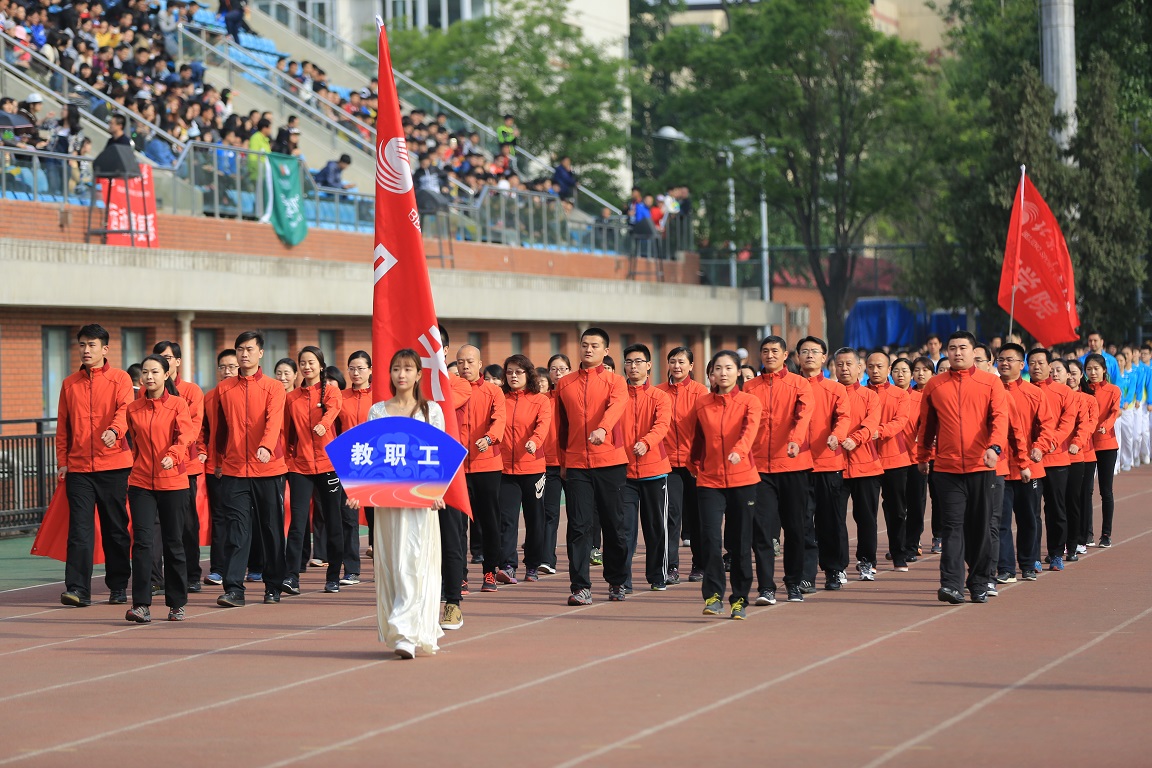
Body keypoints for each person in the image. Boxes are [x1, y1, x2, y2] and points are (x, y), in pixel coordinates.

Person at [360, 349, 446, 658]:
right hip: (387, 501)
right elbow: (369, 456)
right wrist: (356, 490)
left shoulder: (430, 411)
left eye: (408, 369)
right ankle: (399, 628)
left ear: (419, 374)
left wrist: (437, 491)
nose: (401, 374)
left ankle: (408, 632)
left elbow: (438, 454)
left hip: (421, 501)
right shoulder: (378, 411)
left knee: (414, 560)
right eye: (396, 368)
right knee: (392, 563)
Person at [916, 331, 1010, 604]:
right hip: (947, 468)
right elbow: (926, 426)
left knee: (980, 528)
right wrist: (923, 456)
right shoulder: (935, 385)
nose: (957, 353)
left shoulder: (991, 383)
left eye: (963, 348)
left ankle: (979, 581)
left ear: (973, 352)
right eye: (953, 348)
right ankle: (951, 584)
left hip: (981, 467)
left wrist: (994, 448)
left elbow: (1000, 419)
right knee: (952, 527)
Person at [57, 324, 134, 608]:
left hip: (114, 466)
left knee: (116, 528)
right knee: (79, 530)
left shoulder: (120, 379)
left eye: (91, 345)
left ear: (105, 348)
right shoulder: (69, 384)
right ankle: (77, 589)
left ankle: (117, 585)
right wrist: (62, 461)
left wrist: (114, 431)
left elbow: (125, 411)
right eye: (81, 345)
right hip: (78, 470)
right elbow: (63, 426)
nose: (86, 350)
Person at [211, 330, 288, 607]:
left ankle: (274, 585)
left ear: (260, 353)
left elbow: (274, 421)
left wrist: (267, 446)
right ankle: (234, 589)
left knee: (271, 528)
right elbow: (219, 430)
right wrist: (217, 461)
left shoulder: (273, 387)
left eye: (249, 349)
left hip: (268, 469)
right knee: (237, 530)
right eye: (240, 349)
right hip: (234, 470)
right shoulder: (224, 389)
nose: (244, 354)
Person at [553, 327, 629, 605]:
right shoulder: (565, 384)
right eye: (584, 345)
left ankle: (617, 581)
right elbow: (561, 427)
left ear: (606, 351)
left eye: (595, 346)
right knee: (579, 526)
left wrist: (603, 429)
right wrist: (562, 461)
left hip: (610, 462)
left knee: (614, 525)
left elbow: (616, 408)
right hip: (576, 465)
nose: (588, 350)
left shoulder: (615, 382)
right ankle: (580, 586)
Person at [123, 355, 196, 623]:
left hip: (173, 482)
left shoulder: (178, 405)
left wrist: (173, 455)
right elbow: (132, 442)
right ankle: (141, 604)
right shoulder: (133, 408)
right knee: (142, 542)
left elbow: (187, 435)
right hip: (141, 482)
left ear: (166, 375)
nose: (150, 376)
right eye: (146, 372)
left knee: (173, 542)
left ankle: (177, 603)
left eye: (155, 371)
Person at [691, 350, 762, 619]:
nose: (723, 373)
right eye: (718, 368)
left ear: (738, 372)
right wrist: (693, 465)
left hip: (742, 479)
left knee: (740, 542)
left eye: (729, 368)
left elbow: (749, 431)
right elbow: (696, 439)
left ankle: (740, 599)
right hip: (709, 481)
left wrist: (739, 451)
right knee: (710, 539)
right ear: (712, 373)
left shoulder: (749, 402)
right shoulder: (702, 404)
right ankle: (713, 595)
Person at [743, 335, 814, 604]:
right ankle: (766, 587)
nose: (769, 355)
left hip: (793, 465)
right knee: (761, 529)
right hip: (759, 469)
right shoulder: (749, 387)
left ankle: (793, 582)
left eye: (775, 351)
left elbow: (803, 416)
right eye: (765, 351)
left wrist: (795, 442)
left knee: (795, 528)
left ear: (786, 355)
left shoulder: (799, 384)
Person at [283, 346, 344, 595]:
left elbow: (333, 409)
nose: (307, 367)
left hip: (329, 465)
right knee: (297, 523)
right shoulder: (292, 398)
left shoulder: (331, 391)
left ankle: (333, 577)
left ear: (321, 366)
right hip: (300, 466)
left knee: (333, 521)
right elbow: (287, 433)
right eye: (303, 363)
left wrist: (323, 424)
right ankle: (291, 576)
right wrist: (288, 460)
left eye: (311, 362)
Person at [996, 342, 1055, 583]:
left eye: (1010, 359)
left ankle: (1029, 563)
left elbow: (1047, 427)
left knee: (1029, 518)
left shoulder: (1034, 393)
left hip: (1029, 468)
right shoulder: (991, 391)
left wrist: (1039, 448)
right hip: (998, 467)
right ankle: (1006, 568)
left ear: (1022, 365)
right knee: (1000, 521)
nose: (1004, 363)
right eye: (1000, 359)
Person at [150, 341, 205, 595]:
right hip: (153, 471)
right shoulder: (147, 392)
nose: (165, 361)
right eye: (160, 357)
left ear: (178, 362)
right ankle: (155, 577)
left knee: (185, 525)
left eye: (169, 357)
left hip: (185, 468)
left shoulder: (191, 391)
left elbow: (191, 430)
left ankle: (191, 574)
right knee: (155, 525)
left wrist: (175, 453)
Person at [797, 337, 851, 591]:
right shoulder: (792, 386)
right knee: (803, 522)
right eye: (804, 351)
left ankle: (833, 568)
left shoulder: (835, 389)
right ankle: (806, 574)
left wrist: (836, 436)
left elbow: (844, 418)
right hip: (797, 465)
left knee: (830, 521)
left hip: (829, 463)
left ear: (823, 357)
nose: (809, 355)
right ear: (797, 357)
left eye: (814, 352)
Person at [619, 344, 673, 592]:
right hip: (624, 472)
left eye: (639, 361)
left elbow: (662, 425)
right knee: (625, 529)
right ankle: (622, 580)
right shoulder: (617, 395)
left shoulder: (660, 396)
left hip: (654, 470)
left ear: (649, 365)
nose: (633, 366)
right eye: (629, 362)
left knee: (655, 527)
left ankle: (657, 576)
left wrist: (646, 442)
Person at [454, 345, 507, 591]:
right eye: (461, 362)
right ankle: (459, 574)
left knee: (489, 521)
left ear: (480, 363)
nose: (465, 366)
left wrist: (489, 438)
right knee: (457, 524)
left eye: (470, 361)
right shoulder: (450, 392)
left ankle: (490, 571)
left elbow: (499, 420)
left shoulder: (493, 391)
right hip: (456, 467)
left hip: (487, 464)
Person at [656, 346, 710, 584]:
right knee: (670, 515)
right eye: (672, 361)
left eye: (681, 362)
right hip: (667, 464)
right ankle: (671, 566)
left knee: (698, 515)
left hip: (695, 464)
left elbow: (706, 428)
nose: (676, 366)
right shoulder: (658, 392)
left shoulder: (700, 392)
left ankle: (700, 564)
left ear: (691, 366)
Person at [831, 348, 883, 581]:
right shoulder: (829, 393)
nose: (844, 369)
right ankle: (838, 565)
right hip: (835, 465)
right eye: (840, 364)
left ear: (859, 368)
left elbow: (872, 422)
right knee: (835, 518)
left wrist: (856, 439)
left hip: (865, 465)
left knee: (866, 518)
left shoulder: (870, 395)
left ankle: (866, 561)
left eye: (849, 364)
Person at [498, 355, 551, 582]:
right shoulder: (500, 399)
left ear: (528, 374)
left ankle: (532, 564)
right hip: (505, 470)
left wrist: (534, 441)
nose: (513, 376)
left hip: (533, 468)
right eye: (509, 372)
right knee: (506, 519)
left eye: (518, 372)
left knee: (534, 519)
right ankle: (508, 565)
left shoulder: (540, 400)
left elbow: (543, 425)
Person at [1027, 347, 1077, 571]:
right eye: (1032, 363)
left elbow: (1067, 423)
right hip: (1031, 461)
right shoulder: (1024, 390)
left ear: (1050, 366)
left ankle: (1056, 553)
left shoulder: (1063, 392)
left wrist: (1048, 444)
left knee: (1056, 509)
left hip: (1056, 459)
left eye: (1041, 363)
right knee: (1031, 511)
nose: (1036, 367)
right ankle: (1033, 556)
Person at [865, 351, 912, 571]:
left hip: (895, 459)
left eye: (879, 367)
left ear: (888, 369)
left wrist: (878, 431)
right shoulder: (860, 393)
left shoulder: (900, 395)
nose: (875, 370)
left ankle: (899, 553)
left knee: (897, 510)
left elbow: (900, 421)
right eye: (871, 366)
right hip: (865, 460)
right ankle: (868, 559)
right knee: (867, 511)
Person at [201, 348, 238, 586]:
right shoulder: (209, 396)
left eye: (232, 367)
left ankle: (249, 565)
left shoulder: (246, 394)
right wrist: (203, 453)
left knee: (241, 519)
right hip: (215, 467)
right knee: (220, 518)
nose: (227, 371)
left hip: (242, 468)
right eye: (223, 367)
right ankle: (218, 567)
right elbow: (203, 431)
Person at [1052, 358, 1096, 563]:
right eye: (1052, 370)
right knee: (1054, 505)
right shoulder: (1045, 396)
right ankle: (1056, 548)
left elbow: (1085, 425)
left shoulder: (1080, 399)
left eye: (1060, 371)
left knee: (1072, 502)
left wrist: (1077, 443)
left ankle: (1073, 545)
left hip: (1074, 457)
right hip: (1051, 458)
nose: (1057, 374)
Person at [339, 351, 373, 570]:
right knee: (349, 518)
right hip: (349, 463)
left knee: (377, 518)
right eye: (352, 368)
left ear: (370, 370)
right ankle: (351, 569)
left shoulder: (380, 397)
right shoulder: (340, 397)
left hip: (376, 462)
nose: (355, 372)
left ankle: (384, 565)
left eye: (360, 368)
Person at [891, 357, 927, 564]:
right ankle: (898, 545)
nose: (901, 374)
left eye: (905, 371)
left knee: (916, 504)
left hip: (914, 457)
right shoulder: (886, 397)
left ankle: (912, 545)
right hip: (893, 458)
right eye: (896, 370)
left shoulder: (920, 399)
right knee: (896, 505)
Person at [1084, 353, 1121, 548]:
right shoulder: (1083, 390)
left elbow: (1115, 411)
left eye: (1096, 369)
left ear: (1104, 370)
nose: (1093, 372)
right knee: (1086, 490)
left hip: (1106, 444)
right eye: (1089, 369)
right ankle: (1087, 534)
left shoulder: (1113, 390)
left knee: (1106, 491)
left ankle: (1106, 534)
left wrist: (1106, 425)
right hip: (1086, 444)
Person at [540, 354, 572, 575]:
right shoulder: (542, 399)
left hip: (574, 464)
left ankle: (578, 557)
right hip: (549, 463)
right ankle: (547, 559)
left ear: (570, 370)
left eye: (562, 368)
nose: (558, 372)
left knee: (578, 515)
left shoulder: (576, 398)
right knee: (549, 514)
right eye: (554, 369)